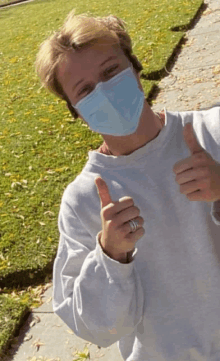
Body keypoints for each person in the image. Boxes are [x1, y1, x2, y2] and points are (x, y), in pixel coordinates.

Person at [35, 9, 220, 361]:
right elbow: (97, 328)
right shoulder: (85, 200)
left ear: (135, 69)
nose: (103, 92)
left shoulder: (212, 131)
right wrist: (110, 255)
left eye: (110, 72)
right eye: (86, 89)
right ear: (78, 112)